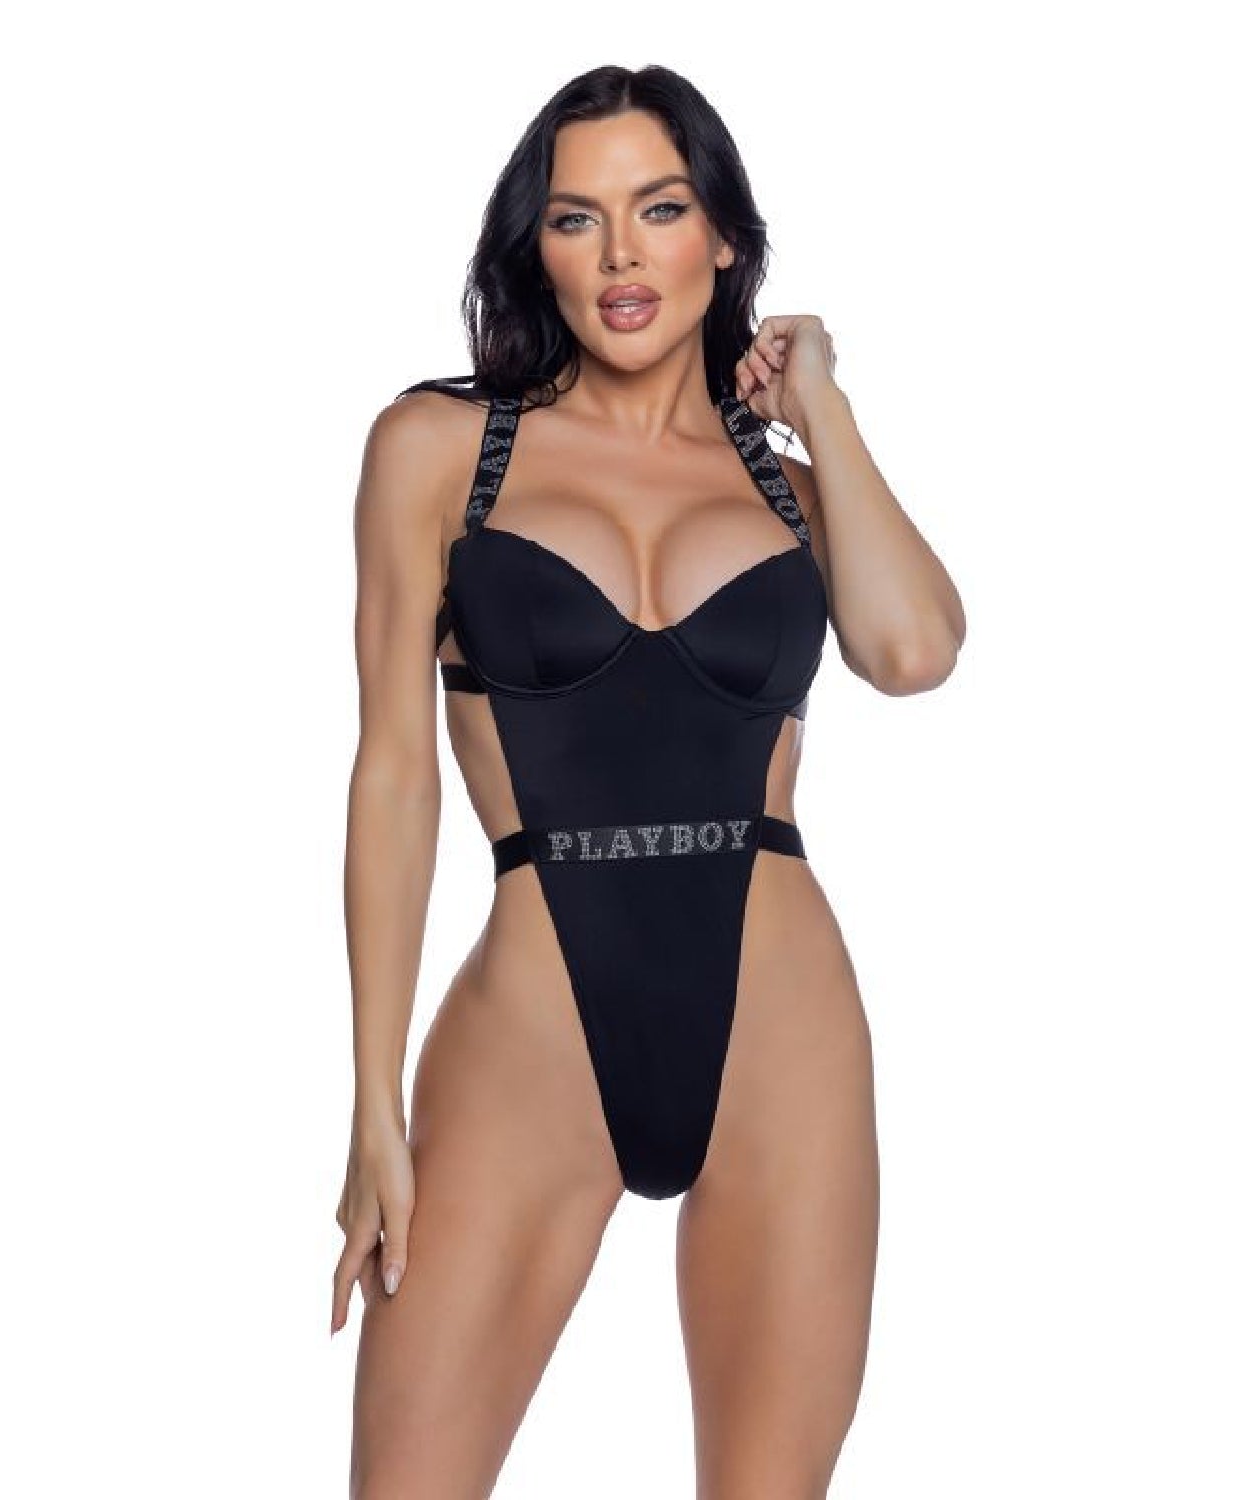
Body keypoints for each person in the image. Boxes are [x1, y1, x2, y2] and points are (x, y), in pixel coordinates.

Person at [334, 63, 965, 1499]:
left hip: (783, 1031)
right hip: (530, 1037)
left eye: (661, 209)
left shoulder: (789, 483)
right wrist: (372, 1102)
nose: (621, 254)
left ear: (724, 237)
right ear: (537, 246)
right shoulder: (439, 451)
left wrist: (824, 408)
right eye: (578, 218)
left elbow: (913, 650)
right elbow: (392, 776)